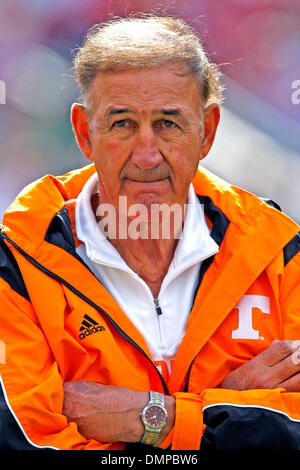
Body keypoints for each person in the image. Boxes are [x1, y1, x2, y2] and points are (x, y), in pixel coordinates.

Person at [0, 15, 300, 451]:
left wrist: (153, 418)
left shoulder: (281, 253)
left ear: (208, 131)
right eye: (121, 123)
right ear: (85, 133)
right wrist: (230, 410)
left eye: (168, 124)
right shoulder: (15, 262)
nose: (145, 155)